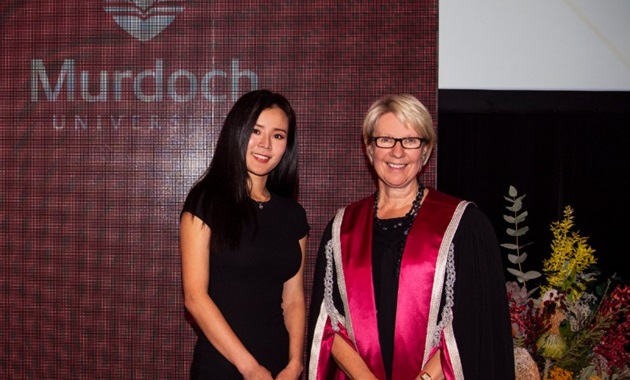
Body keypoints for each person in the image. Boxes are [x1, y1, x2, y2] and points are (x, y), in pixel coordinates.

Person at [308, 94, 514, 379]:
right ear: (370, 147)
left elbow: (475, 322)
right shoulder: (342, 229)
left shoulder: (463, 225)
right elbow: (329, 323)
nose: (397, 152)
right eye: (386, 139)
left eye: (410, 140)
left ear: (425, 149)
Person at [181, 90, 309, 379]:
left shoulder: (293, 215)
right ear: (237, 132)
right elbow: (195, 298)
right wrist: (249, 368)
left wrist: (294, 363)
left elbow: (293, 299)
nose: (265, 144)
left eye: (278, 136)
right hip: (224, 364)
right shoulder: (206, 202)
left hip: (281, 368)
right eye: (256, 131)